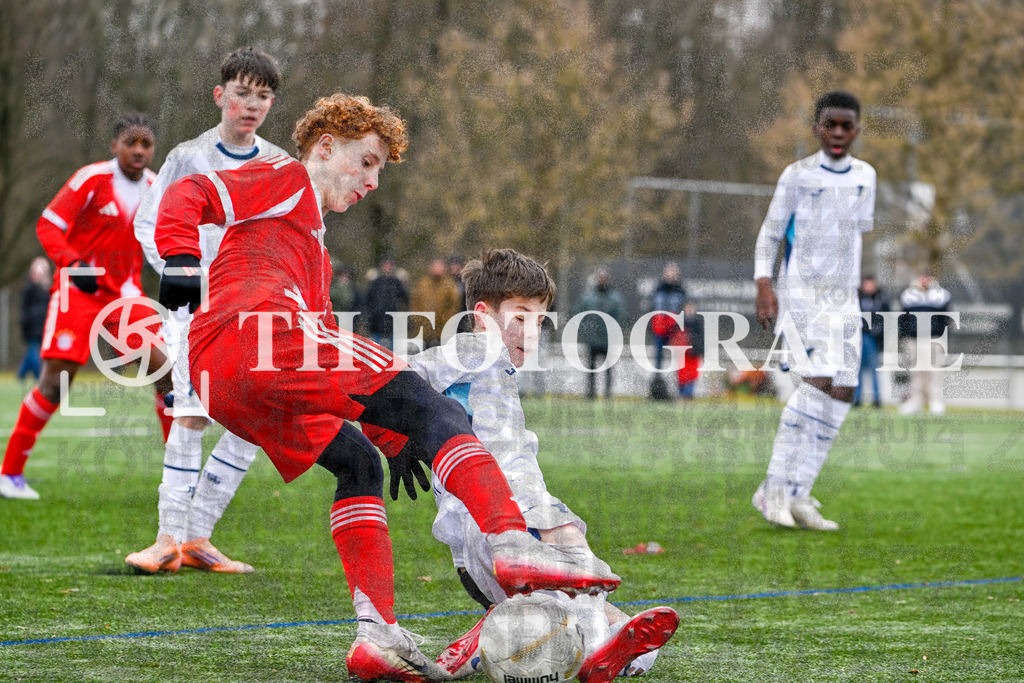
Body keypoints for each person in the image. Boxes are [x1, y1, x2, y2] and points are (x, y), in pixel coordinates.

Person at [152, 93, 619, 681]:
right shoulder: (286, 177)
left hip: (227, 379)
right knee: (432, 406)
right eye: (366, 162)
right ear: (325, 147)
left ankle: (376, 634)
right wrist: (178, 258)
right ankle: (508, 540)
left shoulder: (312, 258)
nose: (372, 181)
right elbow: (188, 194)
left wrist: (391, 440)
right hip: (254, 338)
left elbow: (338, 380)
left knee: (357, 464)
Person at [348, 250, 678, 682]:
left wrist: (398, 434)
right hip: (510, 519)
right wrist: (391, 439)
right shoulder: (474, 347)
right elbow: (393, 376)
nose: (532, 331)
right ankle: (596, 645)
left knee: (614, 630)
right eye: (520, 317)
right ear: (482, 315)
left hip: (473, 555)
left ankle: (497, 640)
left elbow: (398, 389)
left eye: (540, 321)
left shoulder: (490, 364)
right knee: (571, 538)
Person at [127, 47, 289, 574]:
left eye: (262, 96)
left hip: (255, 313)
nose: (252, 105)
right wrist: (184, 271)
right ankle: (167, 537)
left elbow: (296, 235)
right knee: (190, 414)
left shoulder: (278, 165)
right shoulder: (187, 157)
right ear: (220, 96)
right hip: (198, 310)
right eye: (242, 93)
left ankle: (200, 536)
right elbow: (150, 223)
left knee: (253, 421)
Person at [0, 113, 171, 501]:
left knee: (165, 370)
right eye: (132, 142)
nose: (139, 150)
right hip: (78, 292)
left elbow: (169, 237)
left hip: (125, 293)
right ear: (115, 146)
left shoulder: (157, 186)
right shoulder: (91, 179)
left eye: (146, 144)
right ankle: (9, 475)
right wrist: (73, 263)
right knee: (57, 382)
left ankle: (178, 479)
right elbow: (48, 225)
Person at [751, 90, 876, 531]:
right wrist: (765, 284)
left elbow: (855, 238)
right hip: (802, 296)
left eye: (847, 125)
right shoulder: (797, 176)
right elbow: (770, 234)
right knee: (816, 381)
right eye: (830, 124)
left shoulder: (866, 176)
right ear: (818, 128)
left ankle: (801, 492)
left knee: (843, 387)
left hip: (844, 301)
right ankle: (773, 489)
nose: (838, 132)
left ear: (857, 129)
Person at [897, 273, 952, 416]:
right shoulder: (909, 295)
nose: (924, 281)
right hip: (914, 339)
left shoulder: (940, 295)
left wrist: (943, 337)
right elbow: (903, 319)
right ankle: (916, 401)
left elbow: (946, 319)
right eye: (922, 277)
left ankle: (936, 402)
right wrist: (904, 337)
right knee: (916, 372)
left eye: (927, 278)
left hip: (934, 338)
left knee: (934, 372)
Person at [574, 267, 626, 400]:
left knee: (608, 368)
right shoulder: (588, 296)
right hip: (591, 339)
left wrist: (614, 332)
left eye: (604, 278)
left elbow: (621, 316)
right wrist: (585, 330)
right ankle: (590, 393)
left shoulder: (615, 298)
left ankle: (608, 394)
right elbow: (580, 314)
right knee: (590, 368)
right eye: (600, 277)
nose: (602, 280)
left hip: (608, 339)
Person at [410, 257, 461, 348]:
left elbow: (454, 306)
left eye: (440, 266)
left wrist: (444, 322)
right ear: (430, 268)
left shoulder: (449, 285)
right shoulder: (422, 284)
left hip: (443, 331)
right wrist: (418, 320)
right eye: (435, 266)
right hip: (424, 331)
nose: (437, 269)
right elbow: (414, 303)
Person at [854, 275, 889, 408]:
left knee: (874, 369)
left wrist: (879, 334)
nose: (869, 287)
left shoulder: (881, 300)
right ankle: (857, 398)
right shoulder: (857, 299)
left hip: (873, 339)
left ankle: (876, 399)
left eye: (871, 284)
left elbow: (886, 319)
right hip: (859, 338)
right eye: (867, 284)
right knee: (858, 369)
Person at [17, 257, 52, 384]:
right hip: (32, 329)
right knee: (34, 355)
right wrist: (26, 326)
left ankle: (21, 375)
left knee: (32, 354)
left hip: (44, 328)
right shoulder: (29, 290)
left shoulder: (48, 291)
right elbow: (24, 312)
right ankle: (40, 378)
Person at [363, 255, 409, 349]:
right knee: (375, 349)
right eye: (385, 265)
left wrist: (406, 284)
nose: (387, 268)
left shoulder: (397, 283)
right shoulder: (375, 283)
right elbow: (368, 301)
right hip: (376, 321)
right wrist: (368, 317)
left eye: (390, 265)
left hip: (392, 321)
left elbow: (405, 299)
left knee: (391, 350)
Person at [649, 262, 686, 370]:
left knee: (678, 358)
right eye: (669, 272)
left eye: (674, 273)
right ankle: (657, 380)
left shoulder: (681, 291)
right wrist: (652, 327)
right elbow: (651, 309)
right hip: (659, 330)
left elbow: (685, 310)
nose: (671, 275)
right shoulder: (658, 290)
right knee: (658, 357)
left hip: (675, 330)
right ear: (664, 274)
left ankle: (679, 383)